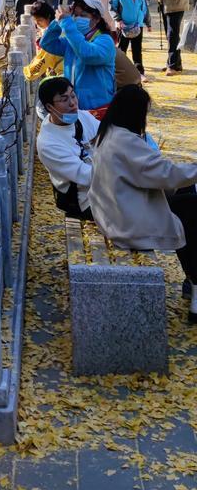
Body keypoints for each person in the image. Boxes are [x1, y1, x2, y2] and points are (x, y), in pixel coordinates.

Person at [90, 85, 197, 320]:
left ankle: (192, 280)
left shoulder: (108, 132)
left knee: (187, 201)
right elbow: (164, 173)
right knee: (192, 211)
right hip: (127, 222)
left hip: (112, 211)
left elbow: (155, 173)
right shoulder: (126, 142)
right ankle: (195, 282)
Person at [40, 0, 116, 119]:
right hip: (75, 108)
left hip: (99, 109)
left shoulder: (105, 41)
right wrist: (59, 21)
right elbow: (47, 43)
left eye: (83, 16)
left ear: (96, 19)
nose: (77, 19)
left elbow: (87, 54)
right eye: (75, 15)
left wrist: (67, 24)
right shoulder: (73, 41)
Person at [36, 76, 99, 219]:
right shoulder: (48, 143)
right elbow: (86, 176)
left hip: (105, 184)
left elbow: (108, 136)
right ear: (49, 107)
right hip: (86, 200)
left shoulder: (82, 117)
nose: (72, 103)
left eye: (73, 96)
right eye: (64, 99)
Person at [110, 0, 150, 78]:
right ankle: (120, 72)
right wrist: (118, 20)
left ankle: (139, 72)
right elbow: (112, 7)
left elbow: (143, 6)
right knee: (122, 50)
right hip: (124, 26)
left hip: (138, 24)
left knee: (137, 50)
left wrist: (147, 22)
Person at [23, 2, 64, 81]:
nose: (37, 23)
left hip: (62, 73)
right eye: (35, 20)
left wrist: (28, 73)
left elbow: (43, 59)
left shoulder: (52, 35)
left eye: (40, 20)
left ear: (48, 17)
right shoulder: (55, 27)